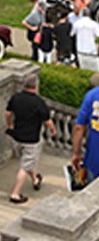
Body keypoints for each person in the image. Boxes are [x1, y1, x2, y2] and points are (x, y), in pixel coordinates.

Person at [7, 75, 55, 204]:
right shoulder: (39, 102)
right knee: (24, 166)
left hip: (16, 137)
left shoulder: (16, 97)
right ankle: (15, 195)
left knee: (27, 162)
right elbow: (47, 121)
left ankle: (35, 180)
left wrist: (10, 124)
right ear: (36, 86)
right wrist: (54, 130)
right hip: (31, 140)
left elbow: (8, 113)